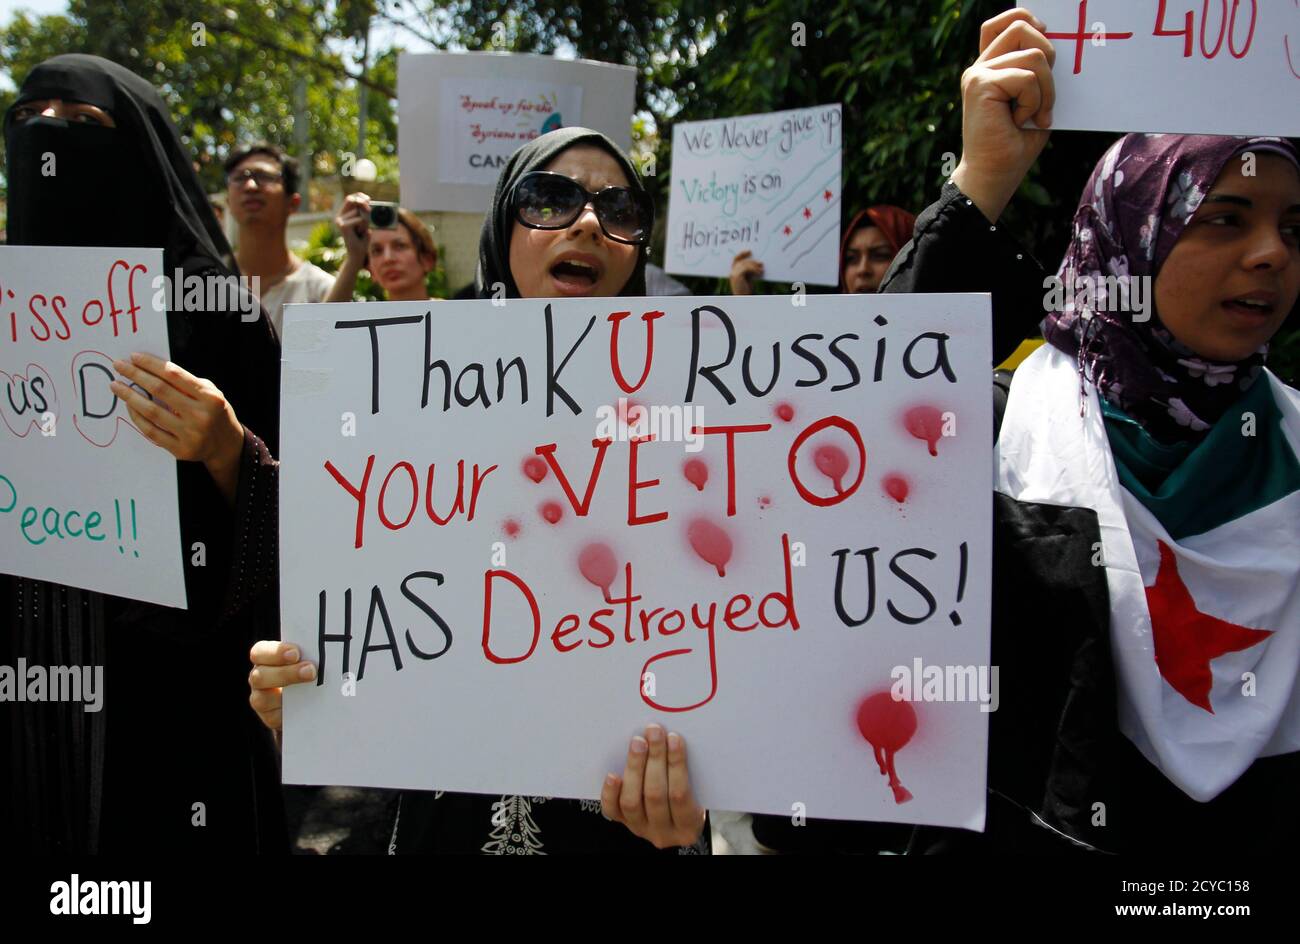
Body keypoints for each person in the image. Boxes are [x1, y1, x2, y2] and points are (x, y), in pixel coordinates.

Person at [883, 8, 1300, 853]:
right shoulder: (999, 425)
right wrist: (981, 182)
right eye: (1225, 217)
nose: (1271, 254)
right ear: (1129, 237)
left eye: (1293, 226)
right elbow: (865, 432)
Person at [249, 127, 710, 854]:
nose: (589, 221)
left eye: (620, 208)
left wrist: (697, 806)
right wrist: (311, 699)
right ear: (503, 225)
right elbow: (379, 626)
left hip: (622, 828)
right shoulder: (401, 405)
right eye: (551, 199)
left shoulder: (700, 428)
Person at [1, 54, 286, 853]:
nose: (47, 136)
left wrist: (229, 450)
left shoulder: (218, 315)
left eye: (79, 122)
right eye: (28, 119)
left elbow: (311, 526)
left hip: (176, 693)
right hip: (31, 671)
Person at [224, 143, 335, 338]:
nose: (250, 186)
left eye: (265, 177)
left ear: (292, 203)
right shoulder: (204, 284)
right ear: (228, 201)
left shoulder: (321, 291)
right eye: (240, 178)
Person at [729, 204, 916, 295]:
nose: (862, 270)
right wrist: (745, 301)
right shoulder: (822, 339)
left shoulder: (937, 334)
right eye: (851, 259)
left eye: (880, 256)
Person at [327, 197, 440, 302]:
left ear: (427, 259)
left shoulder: (453, 315)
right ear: (370, 270)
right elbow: (328, 321)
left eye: (400, 246)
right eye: (377, 251)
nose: (388, 259)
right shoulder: (367, 322)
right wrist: (354, 257)